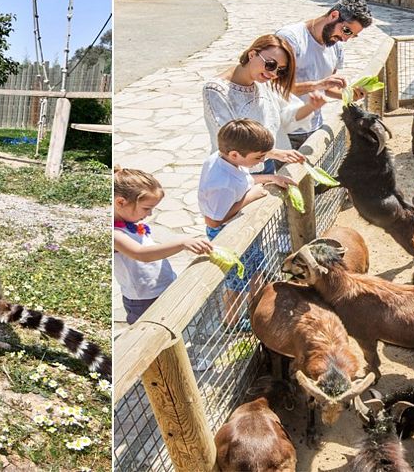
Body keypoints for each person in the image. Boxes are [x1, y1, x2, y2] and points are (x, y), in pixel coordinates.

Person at [198, 119, 298, 328]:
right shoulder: (222, 183)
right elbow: (214, 219)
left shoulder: (225, 160)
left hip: (242, 230)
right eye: (258, 157)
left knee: (255, 267)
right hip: (228, 236)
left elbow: (246, 179)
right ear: (235, 154)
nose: (261, 160)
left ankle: (257, 309)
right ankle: (231, 321)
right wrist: (250, 197)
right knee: (237, 281)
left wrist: (271, 177)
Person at [203, 34, 322, 174]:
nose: (273, 73)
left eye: (280, 70)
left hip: (266, 163)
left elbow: (285, 117)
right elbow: (229, 138)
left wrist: (311, 107)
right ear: (252, 54)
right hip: (233, 171)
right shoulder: (215, 90)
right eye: (270, 65)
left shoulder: (263, 83)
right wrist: (274, 153)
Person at [113, 167, 213, 325]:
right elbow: (141, 254)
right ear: (120, 202)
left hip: (163, 287)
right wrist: (181, 243)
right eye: (146, 208)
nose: (150, 214)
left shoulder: (131, 224)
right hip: (143, 298)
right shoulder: (115, 234)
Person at [277, 0, 373, 150]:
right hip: (286, 129)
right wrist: (318, 84)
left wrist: (348, 95)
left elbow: (326, 88)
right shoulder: (290, 38)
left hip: (315, 126)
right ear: (334, 15)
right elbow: (275, 88)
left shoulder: (336, 47)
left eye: (352, 35)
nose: (345, 39)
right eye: (346, 30)